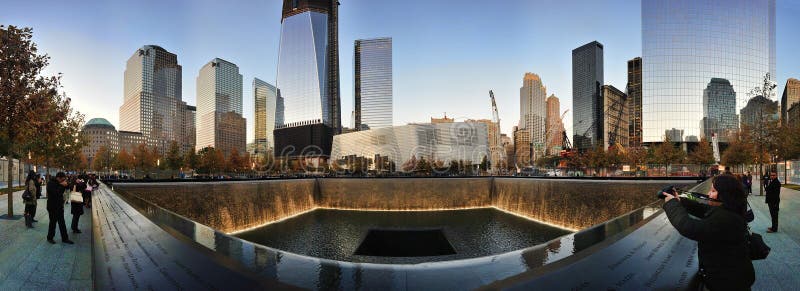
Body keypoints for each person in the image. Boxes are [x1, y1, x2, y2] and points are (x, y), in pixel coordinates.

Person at [662, 174, 754, 290]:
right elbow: (703, 209)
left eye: (713, 191)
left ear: (724, 195)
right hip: (733, 278)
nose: (709, 194)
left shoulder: (726, 219)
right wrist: (680, 201)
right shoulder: (731, 208)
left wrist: (671, 204)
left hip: (728, 283)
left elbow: (689, 227)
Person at [46, 172, 73, 244]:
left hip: (59, 206)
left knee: (62, 223)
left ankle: (65, 238)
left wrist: (66, 184)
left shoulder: (60, 182)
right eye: (62, 179)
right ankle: (50, 237)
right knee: (53, 222)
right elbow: (56, 193)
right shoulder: (51, 183)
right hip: (52, 206)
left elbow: (69, 187)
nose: (63, 181)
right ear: (58, 178)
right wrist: (61, 185)